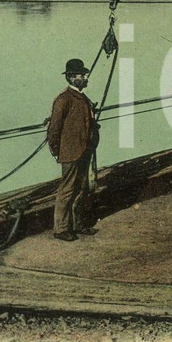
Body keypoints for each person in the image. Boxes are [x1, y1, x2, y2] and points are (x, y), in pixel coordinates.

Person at [47, 59, 100, 241]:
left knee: (82, 188)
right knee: (68, 189)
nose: (85, 78)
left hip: (84, 149)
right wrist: (57, 150)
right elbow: (54, 128)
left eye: (84, 75)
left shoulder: (82, 98)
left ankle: (78, 224)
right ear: (71, 78)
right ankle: (61, 229)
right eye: (81, 75)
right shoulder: (64, 99)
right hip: (70, 151)